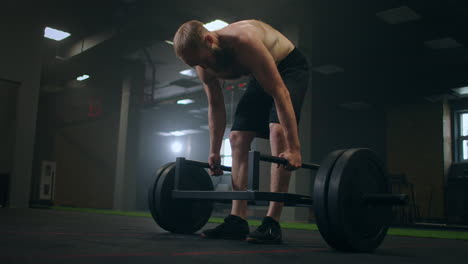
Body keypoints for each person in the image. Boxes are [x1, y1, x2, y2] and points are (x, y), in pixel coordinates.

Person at [173, 19, 309, 244]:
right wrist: (214, 151)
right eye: (196, 64)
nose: (204, 68)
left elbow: (280, 92)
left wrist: (294, 148)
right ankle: (237, 219)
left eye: (203, 61)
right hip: (260, 72)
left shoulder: (244, 42)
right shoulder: (201, 62)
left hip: (289, 67)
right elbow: (215, 105)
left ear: (209, 40)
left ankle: (272, 223)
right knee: (236, 137)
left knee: (277, 132)